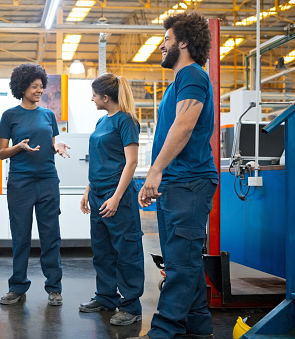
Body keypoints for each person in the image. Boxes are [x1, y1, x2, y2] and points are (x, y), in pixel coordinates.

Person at [131, 12, 218, 339]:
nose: (162, 47)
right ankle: (199, 328)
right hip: (177, 183)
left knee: (179, 268)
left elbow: (184, 126)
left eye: (166, 40)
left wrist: (154, 172)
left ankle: (163, 333)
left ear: (183, 41)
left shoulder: (193, 75)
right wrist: (160, 178)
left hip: (189, 182)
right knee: (185, 262)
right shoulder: (180, 81)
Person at [0, 63, 70, 306]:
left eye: (41, 86)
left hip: (48, 180)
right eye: (34, 86)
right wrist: (18, 148)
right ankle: (17, 286)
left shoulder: (49, 115)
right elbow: (1, 153)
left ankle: (54, 288)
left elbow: (53, 142)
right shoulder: (10, 116)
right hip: (20, 182)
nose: (39, 90)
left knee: (51, 236)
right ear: (22, 87)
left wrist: (57, 146)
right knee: (21, 237)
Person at [79, 73, 144, 326]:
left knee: (126, 251)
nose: (92, 98)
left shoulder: (126, 121)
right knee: (102, 252)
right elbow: (98, 159)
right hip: (97, 194)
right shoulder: (100, 122)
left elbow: (132, 162)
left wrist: (116, 197)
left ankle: (131, 306)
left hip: (118, 197)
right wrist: (87, 191)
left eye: (94, 94)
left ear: (106, 97)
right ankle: (106, 297)